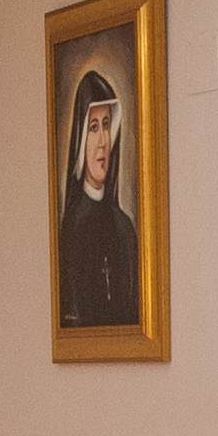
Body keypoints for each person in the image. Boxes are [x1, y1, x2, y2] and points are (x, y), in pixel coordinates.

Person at [55, 63, 141, 333]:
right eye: (93, 128)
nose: (103, 141)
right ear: (81, 138)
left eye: (107, 125)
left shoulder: (124, 228)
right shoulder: (71, 230)